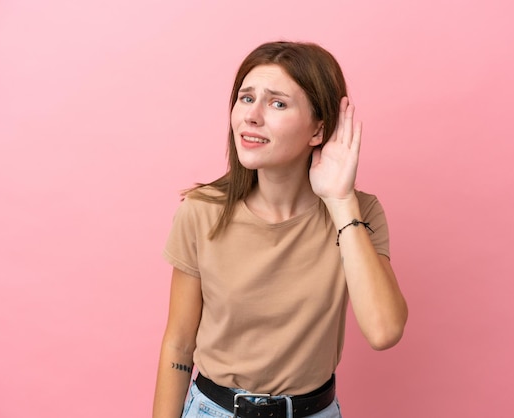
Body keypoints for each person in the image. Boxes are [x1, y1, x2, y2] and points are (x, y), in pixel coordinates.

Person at [153, 41, 408, 418]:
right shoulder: (202, 211)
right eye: (246, 98)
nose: (251, 116)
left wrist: (340, 202)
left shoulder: (358, 212)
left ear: (318, 130)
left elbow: (384, 331)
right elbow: (178, 345)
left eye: (277, 103)